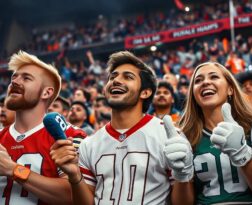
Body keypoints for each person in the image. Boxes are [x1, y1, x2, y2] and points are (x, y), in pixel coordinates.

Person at [50, 51, 187, 204]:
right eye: (112, 77)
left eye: (128, 77)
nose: (116, 81)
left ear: (145, 92)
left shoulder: (169, 136)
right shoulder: (89, 143)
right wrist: (75, 176)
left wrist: (183, 175)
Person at [0, 50, 86, 205]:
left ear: (47, 92)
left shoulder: (70, 134)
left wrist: (13, 169)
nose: (15, 82)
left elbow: (73, 196)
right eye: (14, 77)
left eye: (26, 78)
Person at [169, 62, 252, 204]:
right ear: (193, 94)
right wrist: (181, 174)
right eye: (198, 81)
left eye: (214, 77)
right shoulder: (186, 138)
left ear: (230, 89)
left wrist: (242, 154)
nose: (205, 82)